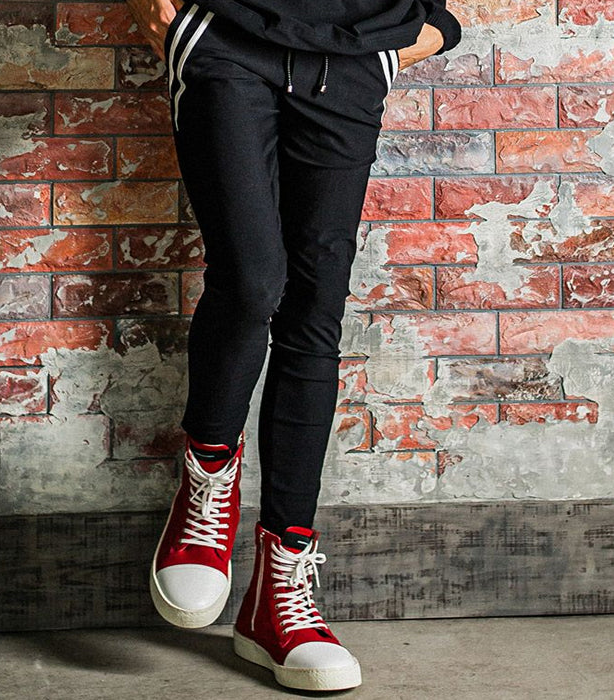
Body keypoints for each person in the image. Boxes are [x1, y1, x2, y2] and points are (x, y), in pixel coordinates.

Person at [127, 0, 461, 691]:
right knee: (252, 282)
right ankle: (207, 481)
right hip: (228, 39)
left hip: (356, 55)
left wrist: (417, 35)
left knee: (316, 311)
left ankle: (278, 597)